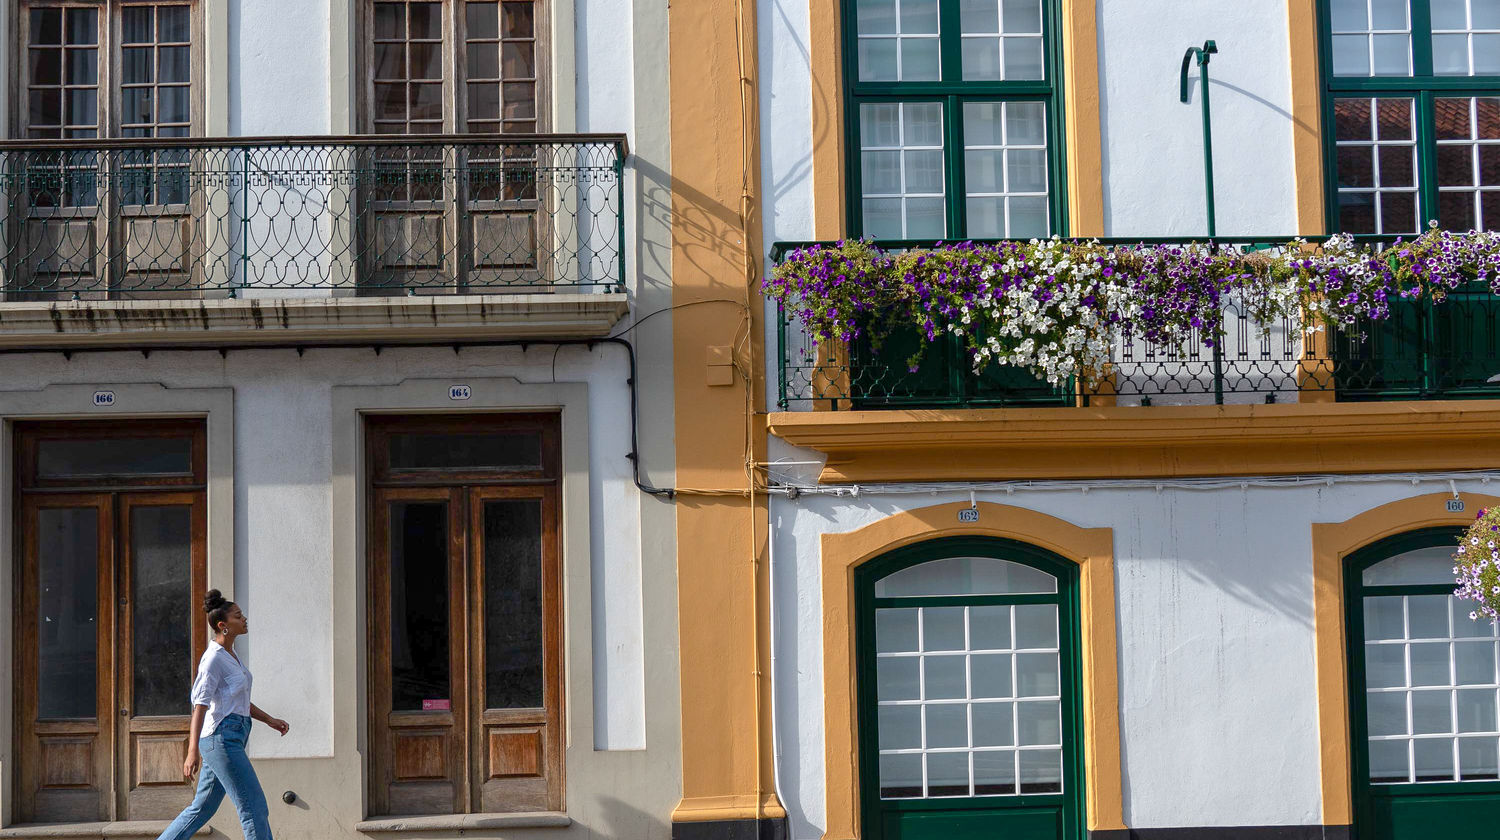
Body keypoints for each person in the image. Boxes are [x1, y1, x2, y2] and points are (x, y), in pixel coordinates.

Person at [157, 590, 290, 840]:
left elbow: (237, 701)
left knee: (202, 808)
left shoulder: (231, 655)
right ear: (223, 626)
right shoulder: (212, 660)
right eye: (238, 616)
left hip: (231, 735)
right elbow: (200, 706)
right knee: (254, 807)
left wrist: (269, 720)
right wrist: (192, 751)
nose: (244, 619)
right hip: (221, 739)